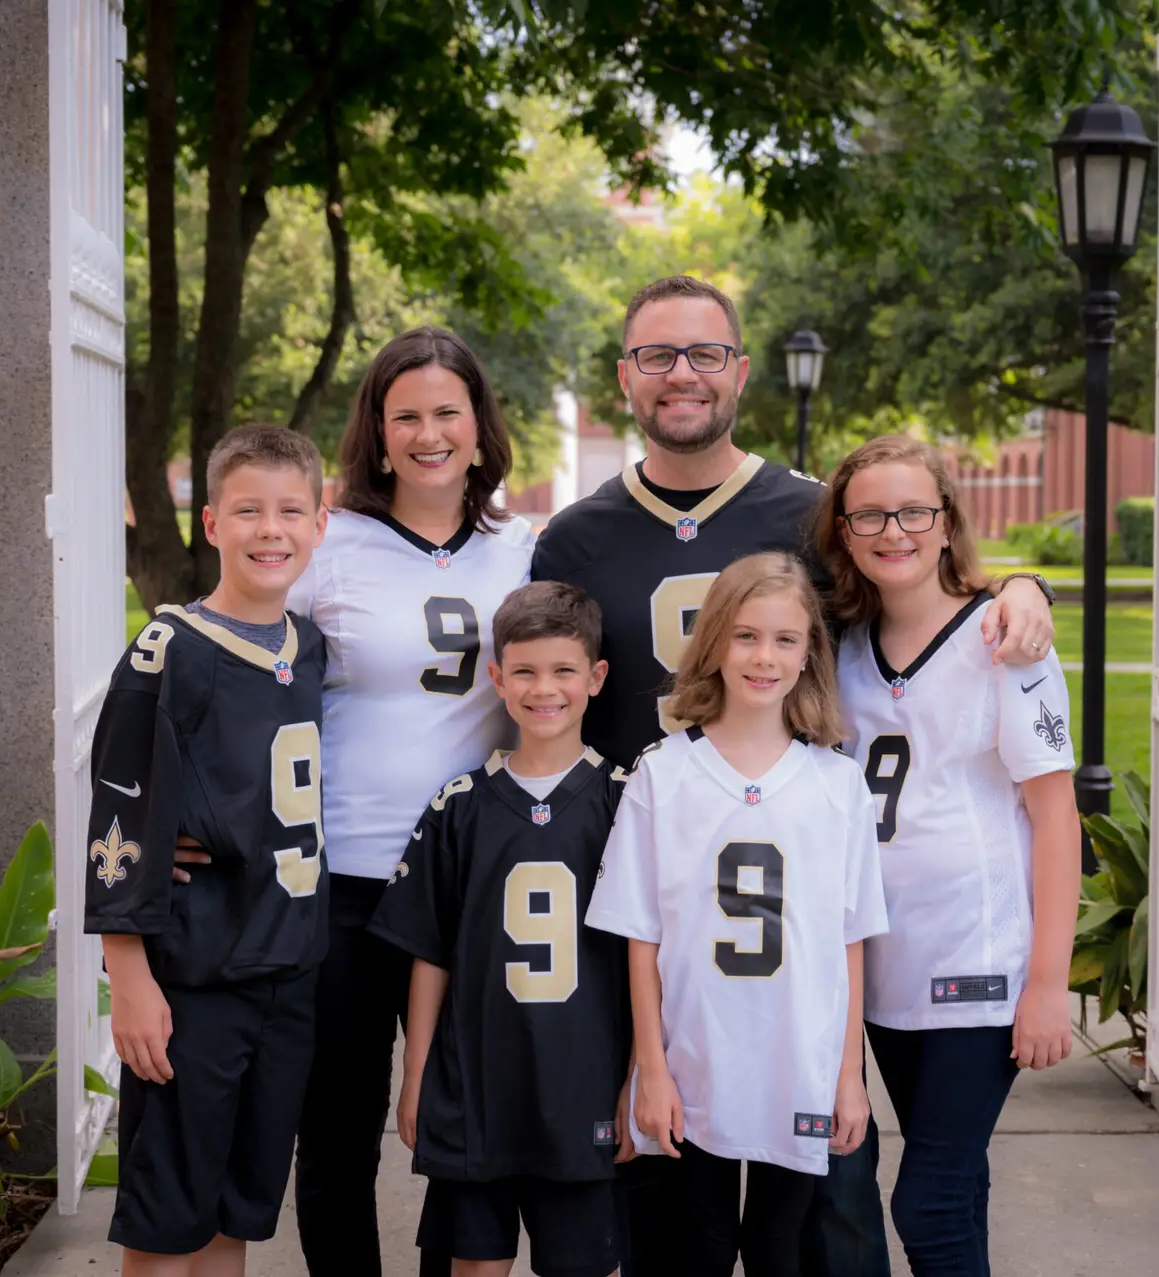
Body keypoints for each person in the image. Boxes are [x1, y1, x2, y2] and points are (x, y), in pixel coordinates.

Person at [532, 274, 1059, 1276]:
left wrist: (1014, 585)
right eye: (657, 355)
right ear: (624, 377)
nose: (681, 373)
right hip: (656, 912)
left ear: (740, 369)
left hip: (797, 927)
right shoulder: (573, 538)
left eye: (704, 353)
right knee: (663, 1193)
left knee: (828, 1215)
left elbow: (914, 576)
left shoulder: (810, 515)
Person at [178, 328, 535, 1274]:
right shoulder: (329, 545)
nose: (428, 432)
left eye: (446, 411)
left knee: (458, 1125)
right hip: (337, 881)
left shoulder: (526, 548)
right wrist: (182, 808)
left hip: (468, 888)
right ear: (378, 434)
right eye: (405, 413)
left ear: (478, 424)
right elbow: (230, 669)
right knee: (333, 1129)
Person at [818, 436, 1081, 1277]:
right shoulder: (840, 646)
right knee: (959, 1186)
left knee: (926, 1201)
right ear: (844, 530)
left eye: (913, 511)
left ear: (945, 523)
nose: (892, 529)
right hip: (888, 968)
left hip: (979, 966)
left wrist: (1046, 983)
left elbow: (1057, 820)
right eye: (869, 513)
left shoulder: (1006, 642)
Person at [586, 552, 889, 1277]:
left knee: (782, 1248)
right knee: (699, 1244)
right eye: (747, 635)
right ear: (715, 642)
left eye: (786, 639)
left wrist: (850, 1076)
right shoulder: (663, 772)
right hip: (697, 1059)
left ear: (809, 653)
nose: (764, 656)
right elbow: (640, 938)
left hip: (799, 1059)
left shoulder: (837, 783)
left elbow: (850, 942)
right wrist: (649, 1070)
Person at [85, 426, 330, 1276]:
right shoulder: (169, 650)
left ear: (320, 524)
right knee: (167, 1215)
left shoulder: (310, 645)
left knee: (236, 1210)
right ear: (211, 522)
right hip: (195, 978)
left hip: (286, 966)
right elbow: (118, 810)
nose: (273, 530)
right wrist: (131, 974)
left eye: (292, 510)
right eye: (250, 510)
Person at [371, 581, 634, 1277]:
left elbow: (649, 955)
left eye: (562, 671)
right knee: (474, 1263)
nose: (543, 689)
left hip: (584, 1081)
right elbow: (430, 952)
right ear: (496, 678)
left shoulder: (627, 800)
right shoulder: (460, 805)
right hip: (475, 1085)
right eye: (524, 671)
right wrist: (417, 1071)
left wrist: (639, 1075)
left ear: (596, 677)